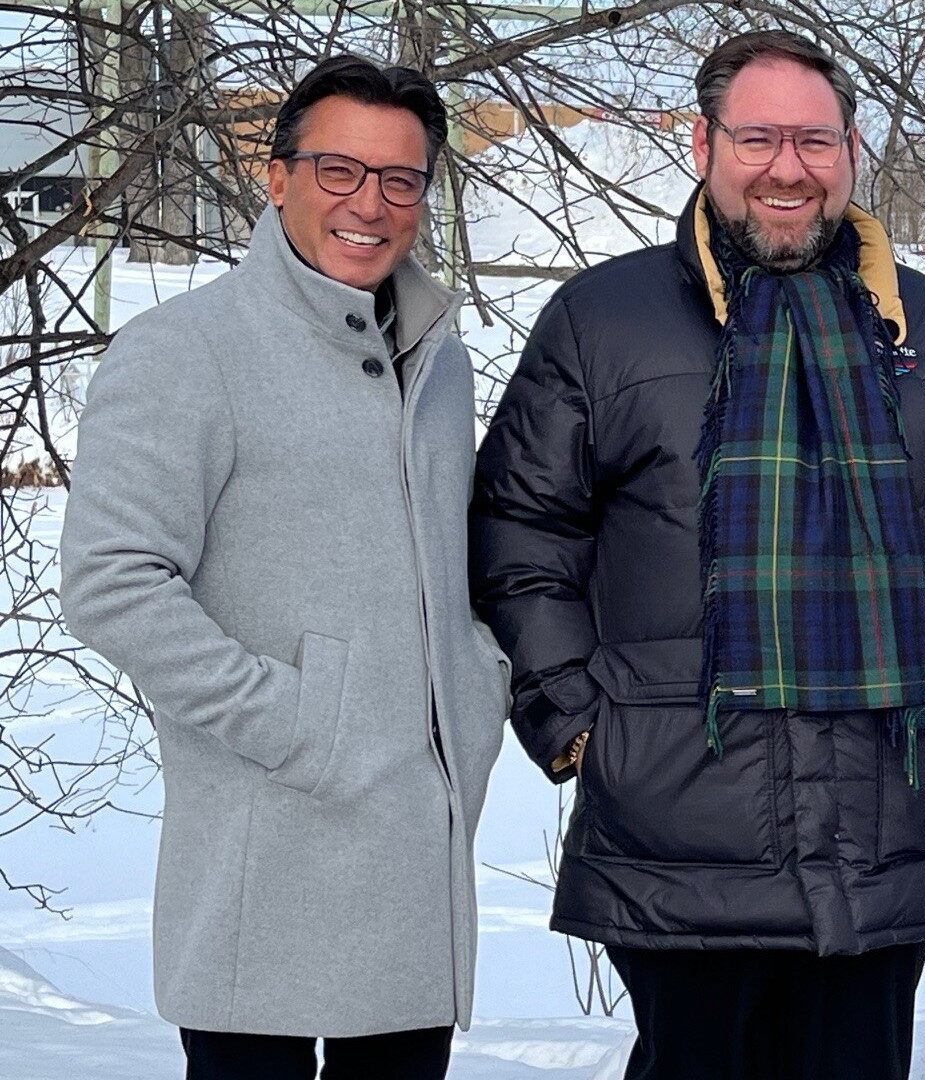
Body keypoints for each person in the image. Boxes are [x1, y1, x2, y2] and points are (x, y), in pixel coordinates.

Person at [469, 29, 925, 1080]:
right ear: (704, 143)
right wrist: (583, 725)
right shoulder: (604, 321)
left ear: (851, 151)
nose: (789, 167)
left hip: (885, 816)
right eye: (760, 137)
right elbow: (520, 528)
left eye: (815, 141)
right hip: (680, 814)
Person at [61, 55, 510, 1080]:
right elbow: (111, 580)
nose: (371, 203)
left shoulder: (438, 358)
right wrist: (304, 723)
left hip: (409, 855)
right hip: (265, 853)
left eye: (400, 179)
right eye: (339, 170)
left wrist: (477, 685)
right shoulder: (186, 350)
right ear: (278, 176)